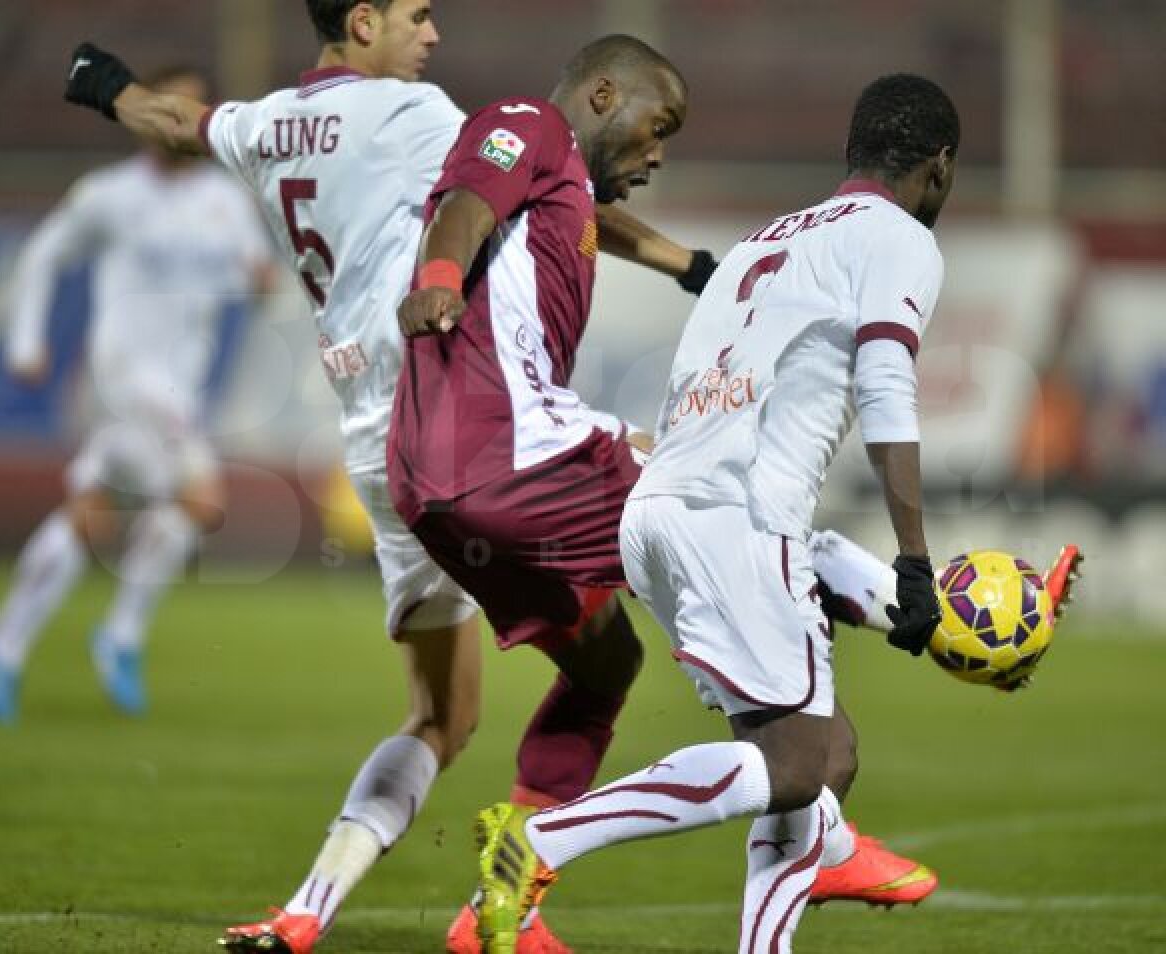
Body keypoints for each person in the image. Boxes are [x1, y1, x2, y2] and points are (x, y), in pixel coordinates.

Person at [62, 7, 720, 954]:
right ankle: (802, 781)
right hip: (459, 410)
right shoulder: (414, 117)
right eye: (415, 14)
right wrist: (683, 261)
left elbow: (172, 123)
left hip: (380, 452)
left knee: (442, 715)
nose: (435, 33)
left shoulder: (264, 124)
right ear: (361, 19)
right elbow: (547, 184)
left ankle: (304, 913)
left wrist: (104, 82)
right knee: (691, 504)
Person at [467, 73, 962, 954]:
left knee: (816, 758)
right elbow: (887, 386)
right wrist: (915, 561)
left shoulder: (758, 241)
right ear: (939, 166)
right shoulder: (899, 240)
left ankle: (802, 891)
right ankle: (539, 839)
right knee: (797, 764)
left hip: (661, 507)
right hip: (739, 515)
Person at [0, 65, 275, 724]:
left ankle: (3, 644)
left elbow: (258, 273)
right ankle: (119, 635)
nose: (178, 122)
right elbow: (45, 255)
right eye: (168, 108)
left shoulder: (223, 203)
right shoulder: (109, 195)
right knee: (199, 499)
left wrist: (262, 280)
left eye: (191, 110)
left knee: (92, 516)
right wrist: (26, 344)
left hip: (180, 388)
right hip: (119, 380)